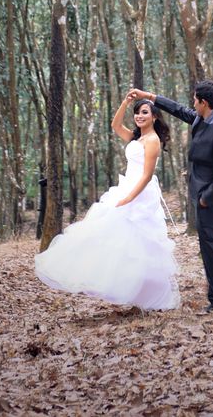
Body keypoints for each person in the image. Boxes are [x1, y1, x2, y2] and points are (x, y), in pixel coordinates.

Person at [34, 93, 180, 310]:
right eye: (137, 112)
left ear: (155, 117)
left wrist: (130, 197)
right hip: (126, 187)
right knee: (118, 236)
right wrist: (125, 103)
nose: (139, 116)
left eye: (144, 112)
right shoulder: (135, 137)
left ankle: (150, 295)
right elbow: (115, 125)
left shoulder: (153, 140)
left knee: (142, 241)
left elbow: (147, 175)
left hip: (140, 193)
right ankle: (129, 288)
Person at [130, 81, 213, 313]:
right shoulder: (201, 120)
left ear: (204, 103)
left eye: (195, 100)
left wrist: (205, 197)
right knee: (208, 249)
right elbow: (177, 109)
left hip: (211, 199)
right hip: (200, 195)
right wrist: (148, 96)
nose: (192, 103)